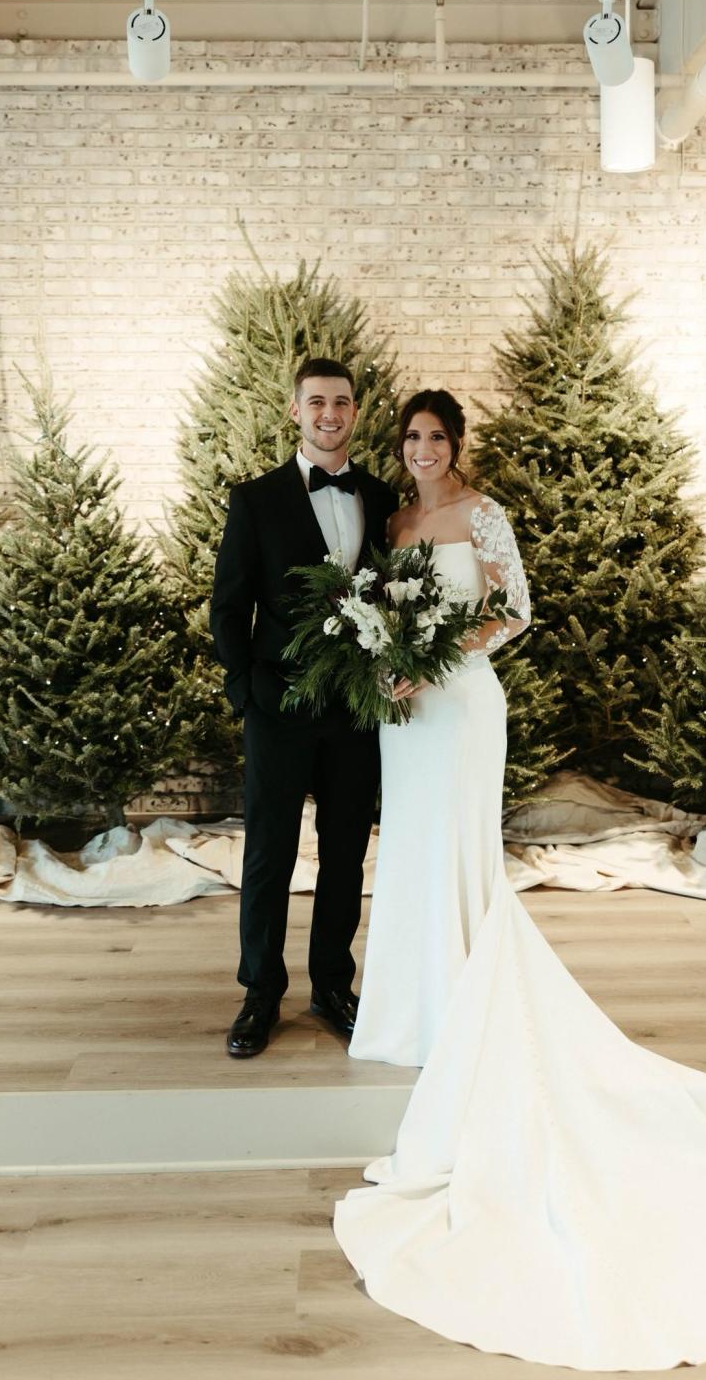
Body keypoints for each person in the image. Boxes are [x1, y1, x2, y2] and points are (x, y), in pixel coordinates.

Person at [335, 389, 706, 1372]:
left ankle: (471, 994)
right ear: (401, 449)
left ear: (456, 445)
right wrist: (393, 657)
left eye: (437, 437)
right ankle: (410, 1005)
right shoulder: (393, 522)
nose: (424, 449)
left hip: (463, 704)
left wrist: (436, 659)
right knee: (416, 847)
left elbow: (514, 610)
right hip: (406, 716)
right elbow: (388, 607)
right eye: (413, 438)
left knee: (461, 848)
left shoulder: (482, 517)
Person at [210, 357, 397, 1059]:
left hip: (356, 714)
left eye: (341, 402)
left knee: (347, 853)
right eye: (316, 401)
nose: (329, 413)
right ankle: (260, 992)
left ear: (355, 412)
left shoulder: (381, 498)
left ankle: (330, 985)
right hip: (278, 709)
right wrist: (246, 695)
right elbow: (228, 607)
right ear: (295, 411)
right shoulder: (254, 500)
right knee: (269, 855)